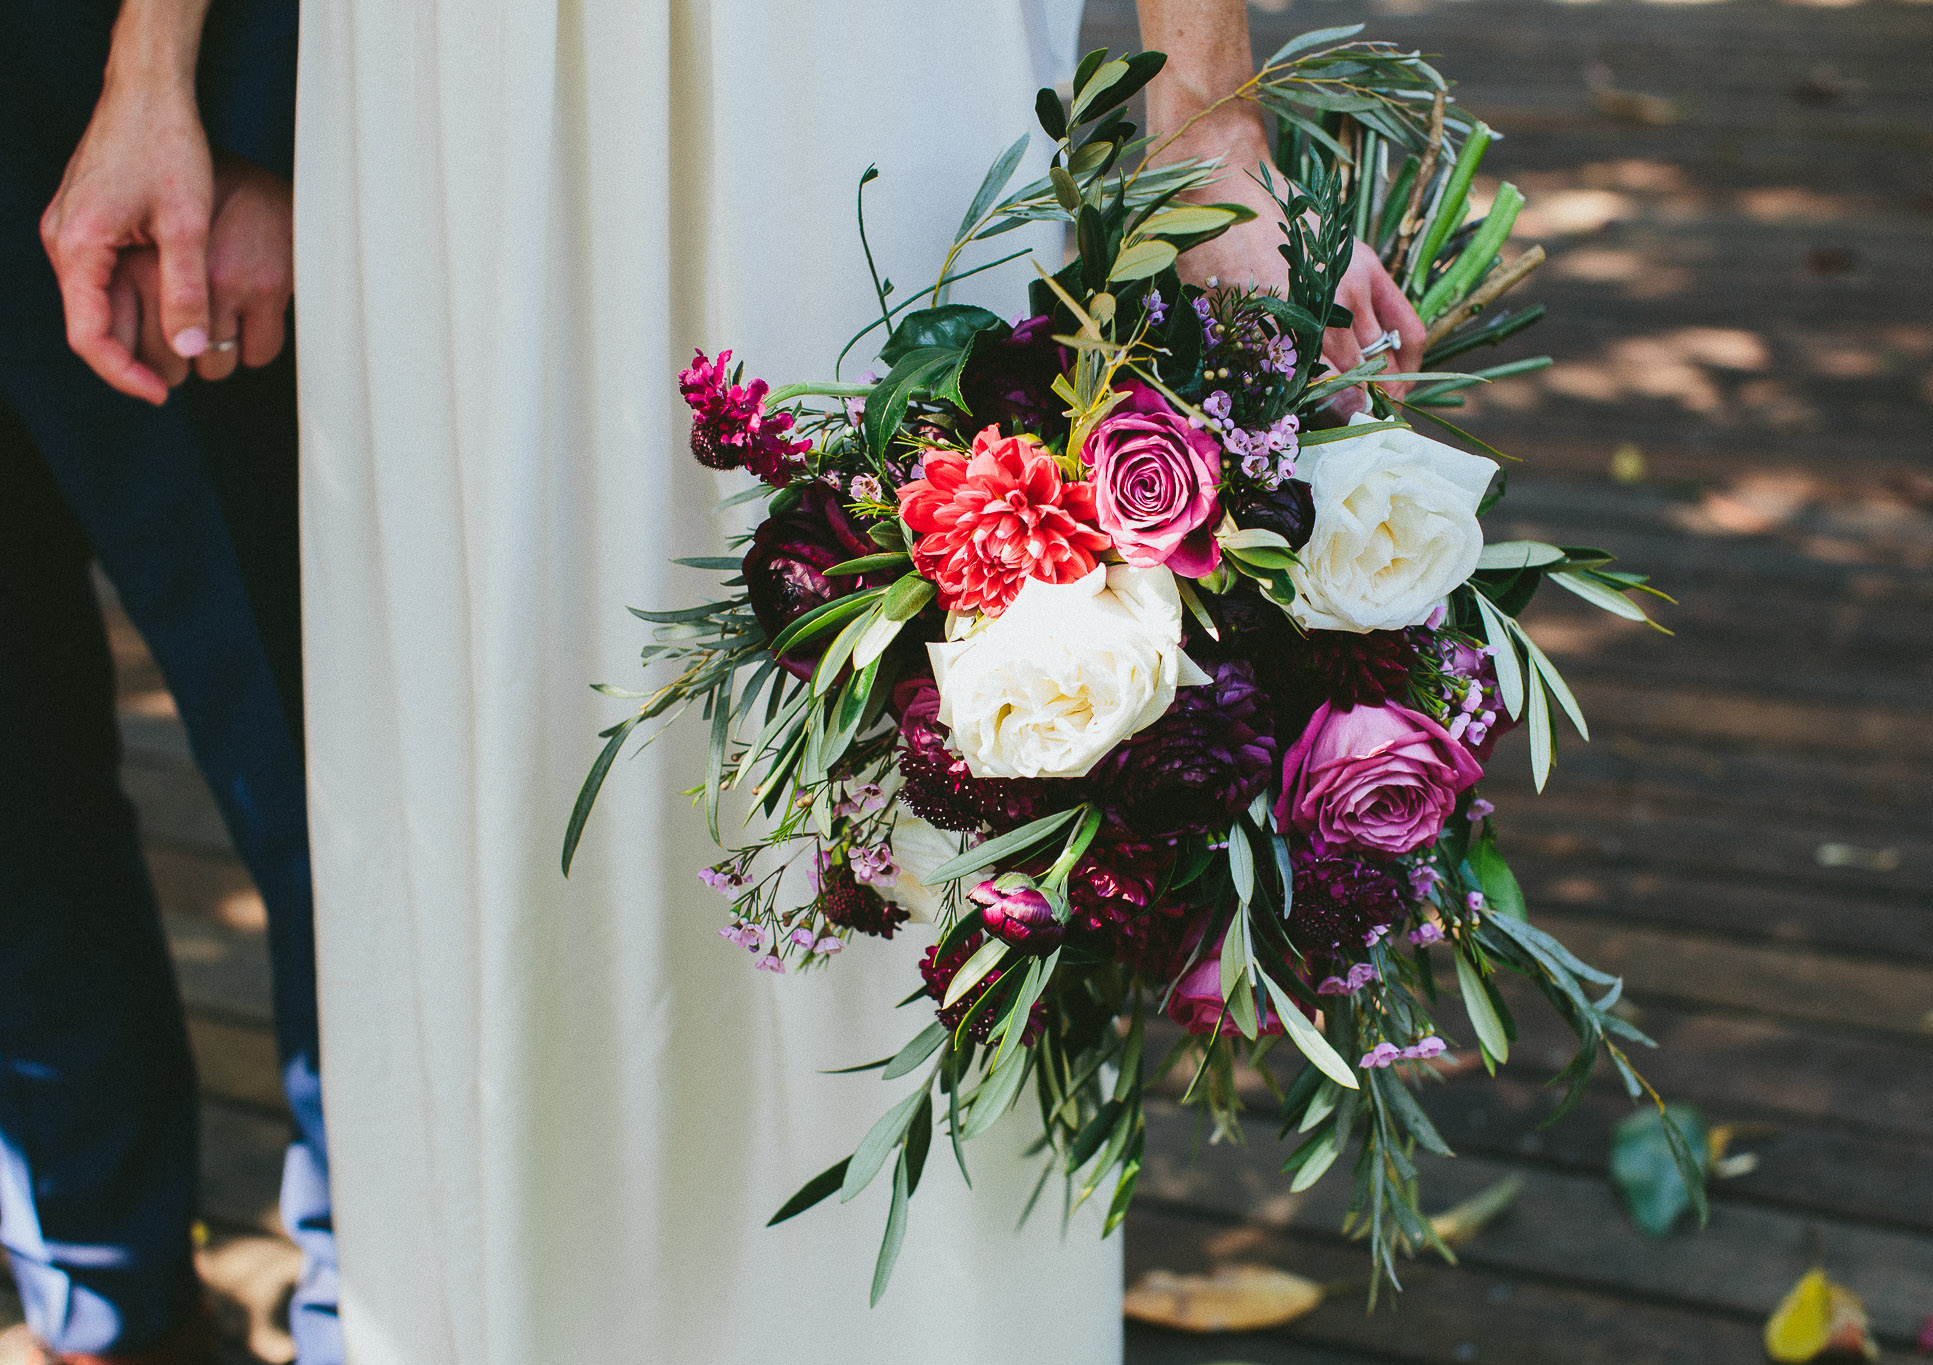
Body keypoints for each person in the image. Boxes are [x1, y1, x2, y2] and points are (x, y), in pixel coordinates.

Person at [292, 1, 1417, 1361]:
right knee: (493, 757)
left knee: (933, 749)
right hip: (451, 75)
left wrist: (1208, 117)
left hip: (849, 54)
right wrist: (148, 76)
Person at [0, 1, 338, 1361]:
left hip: (129, 110)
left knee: (308, 775)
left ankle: (360, 1300)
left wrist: (254, 112)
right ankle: (100, 1291)